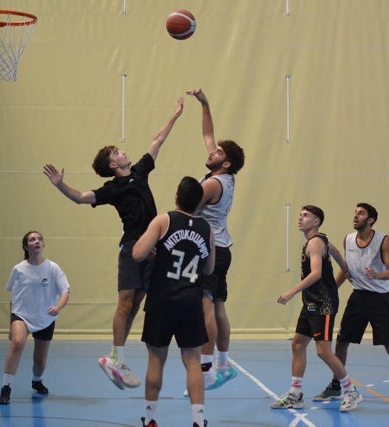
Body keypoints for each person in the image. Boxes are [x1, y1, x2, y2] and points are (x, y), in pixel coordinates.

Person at [42, 98, 184, 389]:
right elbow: (82, 197)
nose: (123, 151)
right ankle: (116, 357)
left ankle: (114, 358)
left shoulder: (141, 171)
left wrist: (175, 115)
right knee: (125, 303)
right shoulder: (113, 189)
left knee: (136, 306)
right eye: (117, 152)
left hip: (155, 248)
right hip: (133, 248)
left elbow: (158, 140)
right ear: (113, 164)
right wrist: (59, 185)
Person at [132, 176, 215, 427]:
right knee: (192, 362)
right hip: (190, 301)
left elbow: (137, 254)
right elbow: (209, 268)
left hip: (162, 301)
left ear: (176, 197)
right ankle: (198, 421)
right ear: (199, 202)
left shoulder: (164, 220)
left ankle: (150, 419)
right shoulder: (207, 228)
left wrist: (155, 247)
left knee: (156, 360)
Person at [313, 202, 389, 405]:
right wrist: (331, 291)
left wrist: (378, 274)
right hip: (357, 297)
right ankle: (335, 385)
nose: (356, 216)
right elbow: (345, 270)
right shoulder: (348, 240)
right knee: (342, 342)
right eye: (355, 212)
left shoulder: (383, 240)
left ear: (371, 219)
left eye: (361, 213)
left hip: (379, 299)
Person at [271, 206, 363, 412]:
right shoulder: (321, 241)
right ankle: (295, 394)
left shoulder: (314, 243)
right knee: (297, 344)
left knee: (323, 351)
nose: (300, 218)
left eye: (305, 215)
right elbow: (337, 253)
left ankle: (351, 390)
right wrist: (346, 269)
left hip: (323, 304)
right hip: (310, 303)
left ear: (316, 222)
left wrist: (291, 292)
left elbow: (316, 274)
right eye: (300, 214)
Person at [185, 88, 245, 390]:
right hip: (223, 248)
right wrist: (205, 104)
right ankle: (223, 364)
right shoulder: (226, 176)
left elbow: (187, 211)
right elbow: (209, 136)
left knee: (205, 307)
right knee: (219, 306)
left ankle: (206, 369)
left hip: (209, 251)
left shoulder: (211, 185)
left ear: (226, 163)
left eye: (218, 152)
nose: (211, 150)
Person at [0, 231, 71, 405]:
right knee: (17, 343)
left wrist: (58, 307)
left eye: (39, 239)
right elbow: (13, 297)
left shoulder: (53, 268)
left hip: (45, 317)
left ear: (42, 244)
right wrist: (11, 324)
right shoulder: (18, 269)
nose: (36, 241)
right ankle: (6, 388)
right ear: (26, 246)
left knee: (40, 360)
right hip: (21, 315)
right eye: (32, 239)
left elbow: (65, 292)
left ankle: (36, 380)